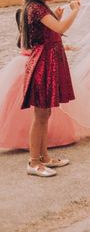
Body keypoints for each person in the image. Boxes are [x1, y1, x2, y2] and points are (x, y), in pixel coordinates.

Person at [18, 0, 80, 177]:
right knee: (40, 115)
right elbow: (61, 27)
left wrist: (57, 16)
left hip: (49, 62)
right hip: (42, 64)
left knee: (45, 113)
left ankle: (44, 157)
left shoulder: (39, 7)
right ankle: (33, 162)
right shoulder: (35, 9)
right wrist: (75, 11)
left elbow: (54, 31)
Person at [0, 9, 77, 151]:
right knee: (38, 108)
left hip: (27, 66)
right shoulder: (29, 35)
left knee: (35, 110)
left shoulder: (25, 34)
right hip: (32, 67)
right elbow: (43, 45)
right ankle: (37, 146)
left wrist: (57, 20)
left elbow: (48, 38)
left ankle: (35, 141)